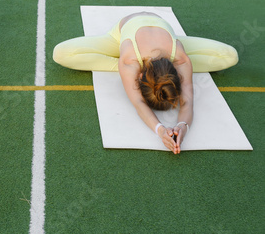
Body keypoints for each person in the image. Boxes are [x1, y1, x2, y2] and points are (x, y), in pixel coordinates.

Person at [53, 12, 238, 154]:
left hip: (161, 42)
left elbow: (187, 102)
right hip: (122, 36)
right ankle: (121, 67)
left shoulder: (179, 57)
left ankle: (125, 71)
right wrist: (159, 129)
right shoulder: (129, 60)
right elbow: (139, 103)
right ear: (140, 76)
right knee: (61, 53)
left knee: (230, 56)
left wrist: (183, 126)